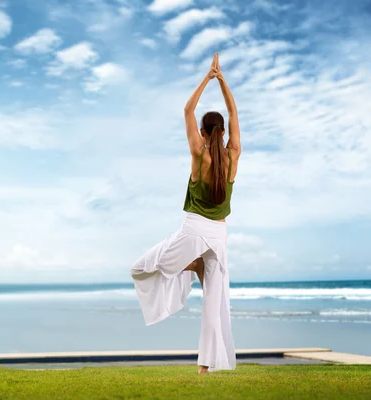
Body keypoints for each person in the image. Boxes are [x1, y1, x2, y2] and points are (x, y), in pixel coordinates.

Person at [130, 52, 241, 374]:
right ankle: (204, 369)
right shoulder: (233, 156)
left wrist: (208, 78)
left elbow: (187, 110)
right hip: (219, 236)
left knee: (139, 269)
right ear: (222, 132)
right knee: (214, 304)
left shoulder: (199, 155)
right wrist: (223, 81)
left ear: (204, 134)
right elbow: (233, 111)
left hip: (193, 231)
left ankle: (190, 264)